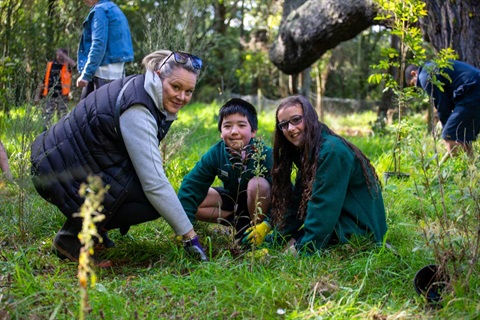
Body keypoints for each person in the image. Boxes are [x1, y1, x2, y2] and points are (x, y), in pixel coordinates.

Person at [30, 50, 207, 263]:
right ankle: (71, 239)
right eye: (176, 87)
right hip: (53, 169)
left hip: (61, 160)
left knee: (136, 184)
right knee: (150, 201)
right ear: (159, 75)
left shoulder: (145, 88)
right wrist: (190, 237)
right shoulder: (138, 109)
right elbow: (155, 184)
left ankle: (93, 231)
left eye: (189, 91)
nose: (181, 97)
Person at [263, 95, 387, 254]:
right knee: (284, 246)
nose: (291, 128)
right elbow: (297, 202)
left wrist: (304, 250)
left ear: (309, 118)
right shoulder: (310, 150)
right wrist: (274, 238)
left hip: (360, 231)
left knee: (289, 254)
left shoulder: (331, 152)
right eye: (284, 125)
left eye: (296, 120)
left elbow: (323, 207)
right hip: (340, 221)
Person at [177, 98, 273, 241]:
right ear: (221, 132)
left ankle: (254, 232)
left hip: (261, 204)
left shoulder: (266, 154)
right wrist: (184, 228)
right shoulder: (216, 153)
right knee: (195, 197)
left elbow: (284, 195)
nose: (234, 131)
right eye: (227, 126)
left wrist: (269, 223)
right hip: (232, 199)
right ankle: (237, 221)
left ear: (253, 131)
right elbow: (191, 185)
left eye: (241, 125)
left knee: (257, 184)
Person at [405, 60, 480, 157]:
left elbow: (441, 104)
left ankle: (462, 169)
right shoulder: (433, 65)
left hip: (472, 91)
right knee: (462, 135)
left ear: (414, 73)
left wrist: (447, 128)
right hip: (473, 88)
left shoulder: (424, 75)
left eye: (413, 83)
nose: (417, 87)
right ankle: (471, 168)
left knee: (449, 136)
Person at [77, 0, 134, 100]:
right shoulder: (114, 9)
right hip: (115, 73)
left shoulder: (100, 11)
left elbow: (98, 45)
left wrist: (86, 74)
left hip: (102, 73)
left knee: (88, 112)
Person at [36, 48, 76, 129]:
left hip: (62, 97)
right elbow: (42, 81)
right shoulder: (50, 65)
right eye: (58, 54)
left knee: (62, 118)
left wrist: (65, 56)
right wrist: (37, 96)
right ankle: (45, 136)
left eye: (62, 55)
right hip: (49, 96)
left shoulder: (67, 66)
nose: (60, 57)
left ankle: (61, 135)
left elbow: (75, 65)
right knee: (47, 118)